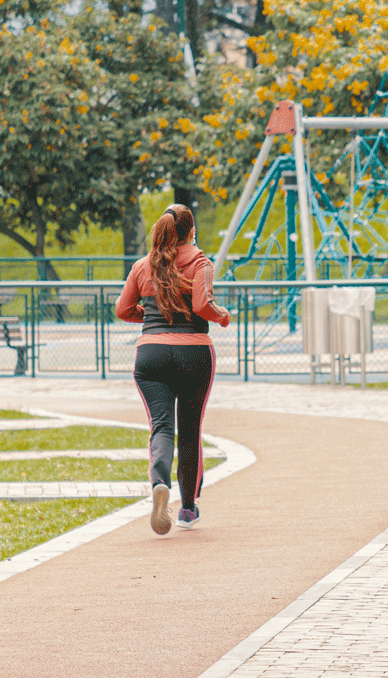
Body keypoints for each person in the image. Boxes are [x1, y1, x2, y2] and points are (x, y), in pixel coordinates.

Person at [116, 204, 231, 533]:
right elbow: (201, 306)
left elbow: (123, 309)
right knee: (190, 432)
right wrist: (222, 315)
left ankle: (159, 484)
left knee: (162, 428)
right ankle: (188, 509)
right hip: (194, 354)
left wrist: (151, 317)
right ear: (191, 231)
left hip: (151, 354)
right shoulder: (200, 263)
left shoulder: (143, 266)